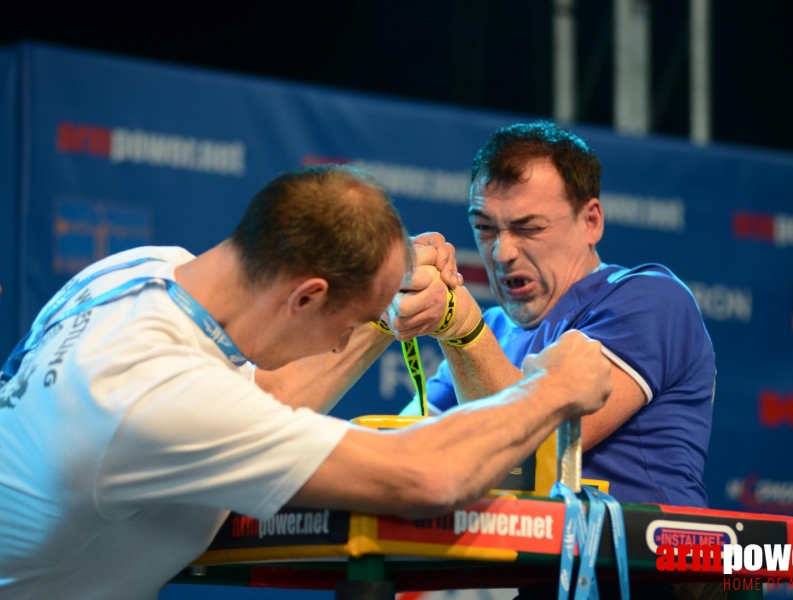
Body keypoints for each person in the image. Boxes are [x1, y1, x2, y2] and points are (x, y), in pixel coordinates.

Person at [0, 165, 613, 600]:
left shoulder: (139, 272)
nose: (340, 344)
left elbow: (260, 399)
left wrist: (384, 307)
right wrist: (552, 386)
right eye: (345, 325)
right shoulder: (151, 397)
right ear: (306, 297)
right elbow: (426, 474)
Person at [399, 120, 716, 507]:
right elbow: (401, 447)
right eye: (485, 228)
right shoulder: (492, 328)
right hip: (523, 563)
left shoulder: (651, 298)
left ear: (591, 222)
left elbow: (536, 447)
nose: (502, 253)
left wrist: (462, 329)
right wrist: (384, 297)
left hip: (639, 563)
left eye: (528, 227)